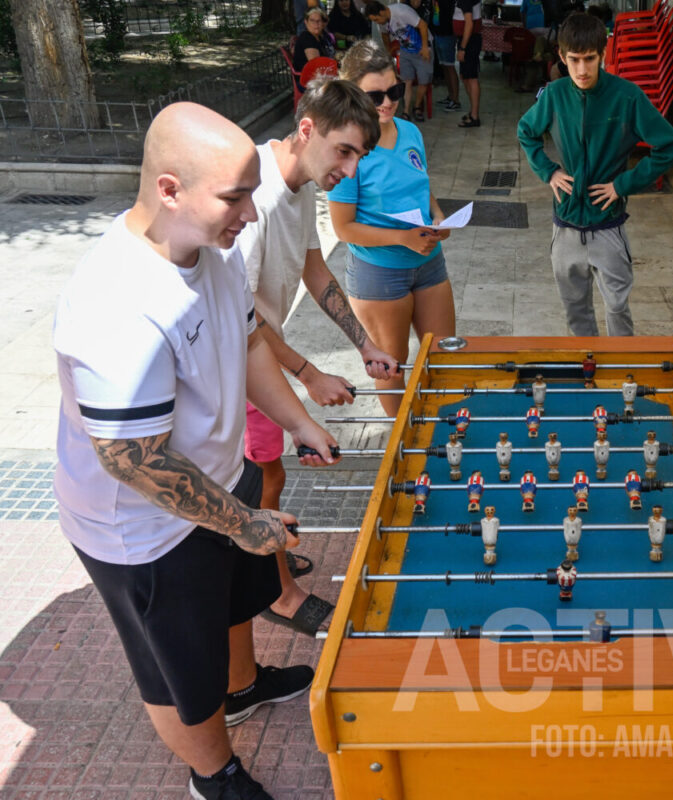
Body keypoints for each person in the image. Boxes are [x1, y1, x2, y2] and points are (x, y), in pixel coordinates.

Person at [52, 102, 341, 800]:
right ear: (171, 189)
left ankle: (244, 687)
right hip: (145, 529)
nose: (250, 211)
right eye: (234, 197)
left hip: (219, 476)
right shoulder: (117, 306)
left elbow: (246, 343)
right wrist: (246, 524)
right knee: (178, 669)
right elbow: (132, 460)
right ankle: (213, 773)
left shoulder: (211, 251)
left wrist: (297, 422)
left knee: (235, 605)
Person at [238, 78, 396, 637]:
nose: (349, 170)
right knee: (262, 484)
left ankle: (267, 561)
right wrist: (307, 373)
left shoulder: (301, 184)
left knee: (269, 475)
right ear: (307, 130)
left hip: (261, 356)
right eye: (344, 151)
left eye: (358, 156)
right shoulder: (252, 200)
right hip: (242, 369)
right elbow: (245, 322)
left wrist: (364, 343)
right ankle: (279, 593)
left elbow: (316, 269)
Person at [517, 12, 673, 337]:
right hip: (565, 226)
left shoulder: (627, 96)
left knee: (617, 308)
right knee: (575, 310)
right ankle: (588, 370)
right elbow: (526, 131)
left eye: (590, 59)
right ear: (562, 57)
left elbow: (670, 146)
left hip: (608, 225)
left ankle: (622, 370)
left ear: (603, 53)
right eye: (574, 60)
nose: (582, 70)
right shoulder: (554, 95)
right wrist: (549, 172)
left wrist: (623, 184)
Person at [330, 40, 455, 419]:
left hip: (428, 261)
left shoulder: (409, 131)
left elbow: (422, 184)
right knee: (392, 364)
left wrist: (437, 217)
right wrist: (403, 238)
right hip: (380, 273)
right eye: (375, 95)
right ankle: (400, 444)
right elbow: (343, 228)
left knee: (446, 351)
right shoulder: (345, 150)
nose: (386, 102)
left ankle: (441, 430)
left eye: (394, 91)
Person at [363, 0, 434, 122]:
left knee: (424, 80)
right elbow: (385, 35)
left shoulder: (401, 11)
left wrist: (424, 48)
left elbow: (422, 25)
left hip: (422, 48)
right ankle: (406, 110)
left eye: (376, 19)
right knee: (407, 81)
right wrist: (389, 52)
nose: (376, 23)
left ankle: (417, 107)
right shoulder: (383, 21)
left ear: (382, 12)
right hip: (406, 50)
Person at [453, 0, 483, 127]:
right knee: (465, 77)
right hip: (468, 39)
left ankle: (474, 116)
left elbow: (469, 23)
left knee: (471, 78)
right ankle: (473, 111)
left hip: (469, 41)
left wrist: (463, 48)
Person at [431, 0, 462, 110]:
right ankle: (450, 96)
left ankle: (455, 100)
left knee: (449, 66)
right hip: (438, 34)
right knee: (444, 66)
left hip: (447, 34)